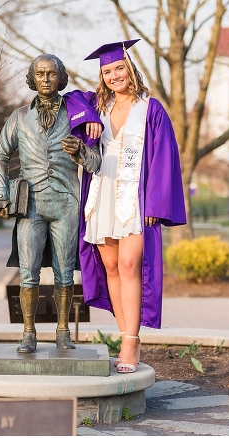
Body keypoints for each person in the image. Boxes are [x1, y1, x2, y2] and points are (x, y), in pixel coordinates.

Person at [78, 40, 185, 373]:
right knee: (110, 267)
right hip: (102, 194)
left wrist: (155, 202)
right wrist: (88, 119)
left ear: (130, 69)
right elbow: (70, 100)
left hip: (135, 199)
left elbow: (164, 157)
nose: (114, 76)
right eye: (107, 71)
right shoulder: (98, 107)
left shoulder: (151, 109)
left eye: (119, 68)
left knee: (128, 265)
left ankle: (131, 342)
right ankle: (125, 334)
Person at [0, 54, 102, 353]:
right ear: (32, 78)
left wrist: (80, 151)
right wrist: (1, 195)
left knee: (65, 272)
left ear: (60, 78)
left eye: (51, 73)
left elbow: (97, 162)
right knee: (29, 272)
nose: (45, 79)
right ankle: (28, 333)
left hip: (66, 203)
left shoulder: (77, 115)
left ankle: (63, 331)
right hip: (31, 205)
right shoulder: (19, 117)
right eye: (40, 74)